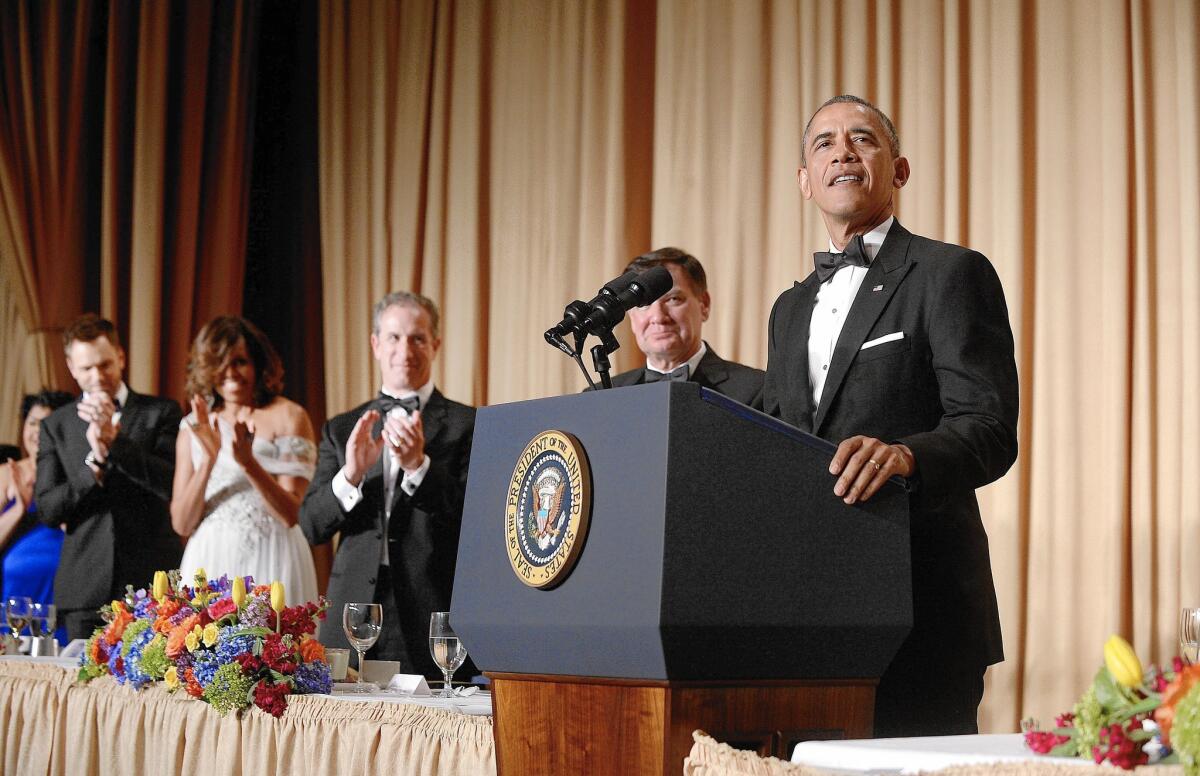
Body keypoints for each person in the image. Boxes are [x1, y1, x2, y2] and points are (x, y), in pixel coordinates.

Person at [762, 95, 1018, 737]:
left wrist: (907, 455)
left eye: (862, 139)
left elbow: (988, 428)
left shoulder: (949, 273)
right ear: (803, 181)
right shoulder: (787, 310)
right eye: (823, 143)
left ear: (898, 171)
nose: (842, 152)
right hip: (802, 618)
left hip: (919, 611)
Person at [300, 292, 476, 681]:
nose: (405, 349)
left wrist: (419, 466)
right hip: (353, 609)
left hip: (430, 608)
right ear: (376, 344)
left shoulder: (469, 424)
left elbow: (472, 521)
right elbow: (312, 524)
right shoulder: (342, 427)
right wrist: (351, 475)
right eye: (394, 337)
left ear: (435, 345)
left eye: (417, 338)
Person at [35, 314, 184, 640]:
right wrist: (95, 463)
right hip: (84, 587)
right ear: (71, 367)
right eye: (86, 368)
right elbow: (47, 509)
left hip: (152, 582)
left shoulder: (161, 412)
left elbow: (171, 482)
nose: (97, 376)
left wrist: (116, 443)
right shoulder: (55, 425)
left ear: (121, 357)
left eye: (104, 365)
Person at [171, 316, 319, 605]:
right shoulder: (193, 428)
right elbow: (182, 524)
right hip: (210, 557)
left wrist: (248, 463)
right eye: (219, 364)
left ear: (258, 364)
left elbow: (291, 514)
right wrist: (208, 461)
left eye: (239, 362)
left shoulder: (289, 416)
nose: (230, 373)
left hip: (274, 552)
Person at [604, 248, 764, 407]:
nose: (658, 317)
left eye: (673, 299)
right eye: (644, 305)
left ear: (704, 305)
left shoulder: (757, 391)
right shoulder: (599, 397)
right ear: (631, 315)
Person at [0, 390, 74, 643]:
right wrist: (19, 510)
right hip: (14, 593)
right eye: (32, 422)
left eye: (48, 423)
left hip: (64, 591)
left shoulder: (75, 478)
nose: (38, 431)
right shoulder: (6, 475)